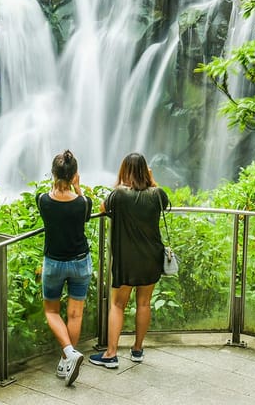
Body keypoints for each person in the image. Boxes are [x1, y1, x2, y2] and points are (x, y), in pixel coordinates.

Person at [89, 152, 169, 369]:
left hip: (126, 259)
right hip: (151, 257)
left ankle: (111, 354)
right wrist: (151, 180)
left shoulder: (119, 195)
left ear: (124, 171)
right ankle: (137, 350)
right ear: (145, 171)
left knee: (118, 304)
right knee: (144, 303)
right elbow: (163, 200)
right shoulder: (157, 194)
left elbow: (102, 209)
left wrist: (121, 184)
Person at [37, 149, 92, 386]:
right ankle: (67, 359)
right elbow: (85, 211)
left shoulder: (43, 200)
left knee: (51, 311)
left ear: (53, 173)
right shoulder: (83, 203)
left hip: (54, 264)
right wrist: (78, 188)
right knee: (75, 313)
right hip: (81, 262)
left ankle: (68, 354)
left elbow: (51, 199)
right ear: (74, 175)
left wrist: (59, 184)